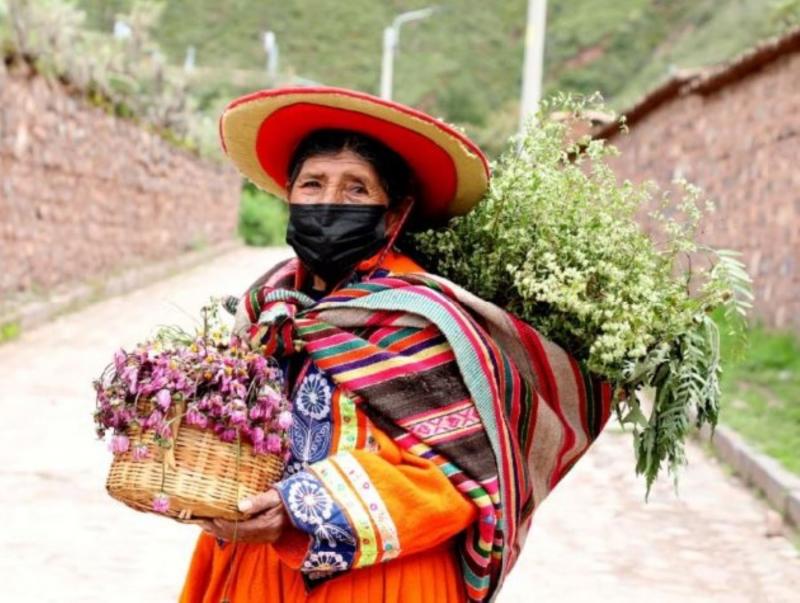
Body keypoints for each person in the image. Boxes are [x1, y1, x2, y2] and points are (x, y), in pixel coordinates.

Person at [180, 87, 612, 603]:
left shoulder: (425, 321)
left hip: (384, 583)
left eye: (356, 189)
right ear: (289, 195)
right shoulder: (267, 309)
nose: (329, 202)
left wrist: (302, 507)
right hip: (255, 573)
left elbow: (462, 479)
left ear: (393, 213)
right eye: (313, 184)